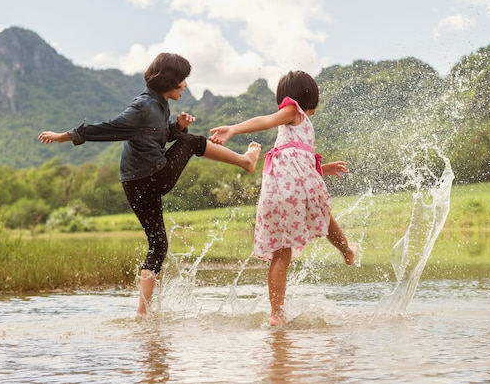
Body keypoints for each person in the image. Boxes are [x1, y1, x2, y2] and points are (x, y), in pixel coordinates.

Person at [38, 52, 261, 319]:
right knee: (193, 143)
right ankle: (246, 162)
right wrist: (64, 136)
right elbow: (108, 127)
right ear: (170, 81)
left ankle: (142, 314)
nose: (186, 85)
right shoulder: (143, 106)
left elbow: (156, 138)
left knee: (158, 246)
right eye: (183, 80)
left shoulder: (160, 105)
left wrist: (176, 127)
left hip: (134, 183)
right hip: (153, 175)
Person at [209, 70, 357, 326]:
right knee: (325, 216)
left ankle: (276, 314)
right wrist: (233, 129)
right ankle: (346, 252)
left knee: (281, 255)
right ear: (313, 98)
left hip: (275, 190)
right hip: (294, 185)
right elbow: (265, 121)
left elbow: (296, 165)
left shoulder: (296, 129)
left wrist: (325, 168)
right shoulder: (294, 112)